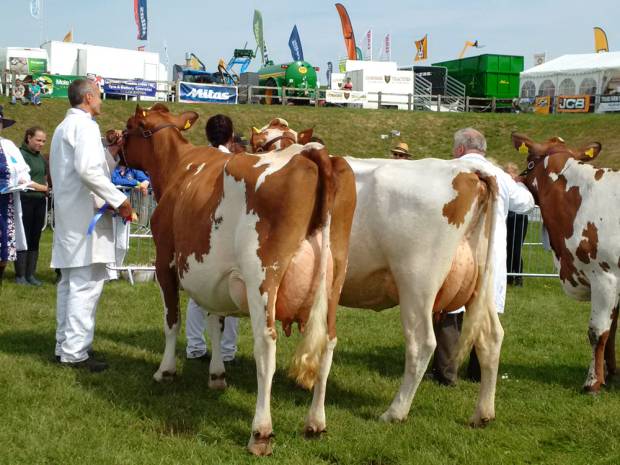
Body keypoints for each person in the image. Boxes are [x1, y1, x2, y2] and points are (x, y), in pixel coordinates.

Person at [428, 128, 534, 385]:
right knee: (485, 309)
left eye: (455, 147)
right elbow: (527, 203)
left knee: (450, 308)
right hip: (490, 253)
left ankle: (446, 372)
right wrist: (517, 182)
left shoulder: (446, 169)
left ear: (461, 149)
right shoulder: (498, 175)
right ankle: (478, 371)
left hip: (454, 250)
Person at [50, 79, 132, 372]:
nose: (101, 100)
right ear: (87, 97)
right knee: (86, 285)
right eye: (98, 95)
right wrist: (119, 199)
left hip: (71, 214)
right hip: (85, 217)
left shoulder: (64, 127)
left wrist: (112, 153)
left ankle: (65, 345)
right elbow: (87, 171)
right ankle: (76, 352)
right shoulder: (85, 126)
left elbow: (90, 168)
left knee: (71, 283)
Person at [185, 114, 239, 363]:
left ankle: (195, 347)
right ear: (230, 137)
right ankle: (227, 351)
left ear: (207, 135)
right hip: (227, 233)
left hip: (198, 232)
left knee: (197, 292)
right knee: (232, 293)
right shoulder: (234, 163)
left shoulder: (195, 162)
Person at [0, 106, 46, 285]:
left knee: (6, 238)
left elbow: (21, 172)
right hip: (23, 198)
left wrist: (23, 181)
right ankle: (21, 274)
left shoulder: (8, 146)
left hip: (7, 200)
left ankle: (11, 274)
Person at [15, 127, 50, 285]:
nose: (41, 144)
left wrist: (46, 186)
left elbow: (43, 177)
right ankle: (20, 275)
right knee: (24, 237)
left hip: (39, 201)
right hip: (25, 199)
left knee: (35, 237)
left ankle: (31, 274)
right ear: (28, 138)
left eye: (43, 141)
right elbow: (24, 180)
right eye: (38, 140)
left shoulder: (41, 158)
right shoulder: (20, 155)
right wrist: (44, 188)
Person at [108, 158, 150, 280]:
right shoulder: (112, 167)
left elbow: (147, 179)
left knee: (123, 245)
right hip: (111, 210)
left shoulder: (132, 169)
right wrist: (136, 184)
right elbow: (115, 180)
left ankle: (116, 270)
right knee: (111, 243)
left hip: (126, 211)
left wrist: (146, 183)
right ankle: (110, 273)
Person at [504, 162, 529, 287]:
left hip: (519, 219)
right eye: (507, 174)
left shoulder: (520, 186)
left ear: (515, 174)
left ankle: (518, 277)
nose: (510, 176)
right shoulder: (504, 185)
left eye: (511, 174)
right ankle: (508, 276)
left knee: (517, 248)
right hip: (507, 218)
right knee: (507, 247)